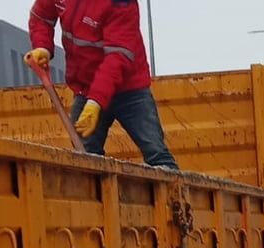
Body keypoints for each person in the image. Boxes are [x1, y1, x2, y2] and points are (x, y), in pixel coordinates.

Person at [26, 0, 177, 169]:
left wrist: (96, 101)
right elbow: (41, 16)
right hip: (86, 88)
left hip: (129, 90)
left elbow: (117, 58)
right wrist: (43, 47)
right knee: (85, 161)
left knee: (156, 154)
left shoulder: (121, 3)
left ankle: (172, 182)